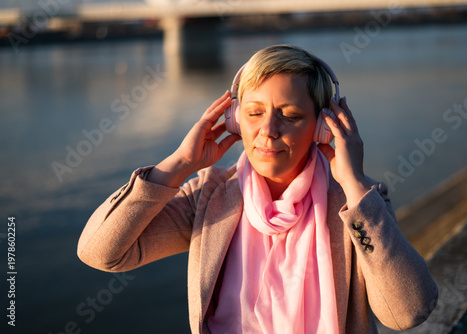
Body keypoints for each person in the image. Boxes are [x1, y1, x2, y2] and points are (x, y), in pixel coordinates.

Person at [78, 45, 437, 333]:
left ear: (322, 127)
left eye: (291, 115)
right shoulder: (209, 195)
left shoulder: (357, 203)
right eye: (253, 113)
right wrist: (178, 164)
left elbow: (406, 312)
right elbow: (102, 253)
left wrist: (355, 183)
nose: (268, 130)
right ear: (235, 120)